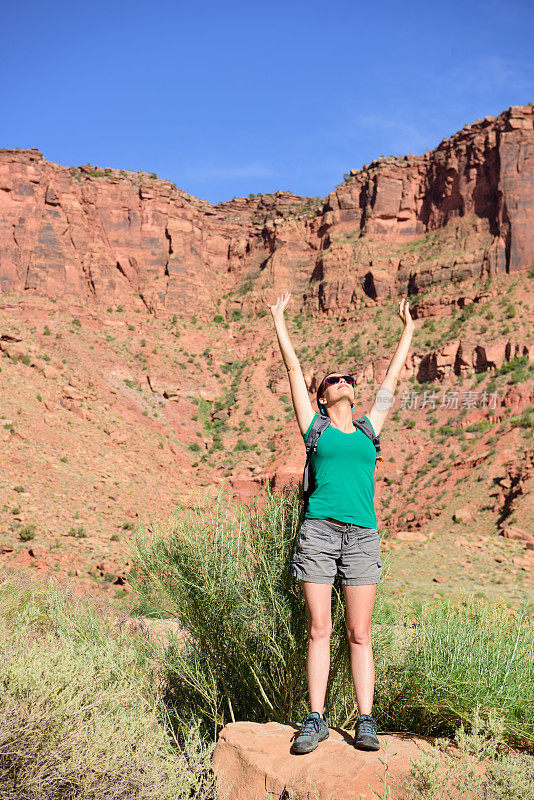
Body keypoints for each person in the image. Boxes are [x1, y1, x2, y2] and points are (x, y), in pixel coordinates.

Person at [266, 291, 415, 754]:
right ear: (324, 395)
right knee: (319, 629)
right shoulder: (314, 428)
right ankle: (316, 718)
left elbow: (392, 378)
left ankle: (366, 720)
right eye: (334, 380)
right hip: (319, 532)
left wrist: (407, 329)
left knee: (359, 632)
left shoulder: (371, 428)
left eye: (349, 379)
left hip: (362, 537)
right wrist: (278, 320)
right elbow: (293, 370)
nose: (344, 382)